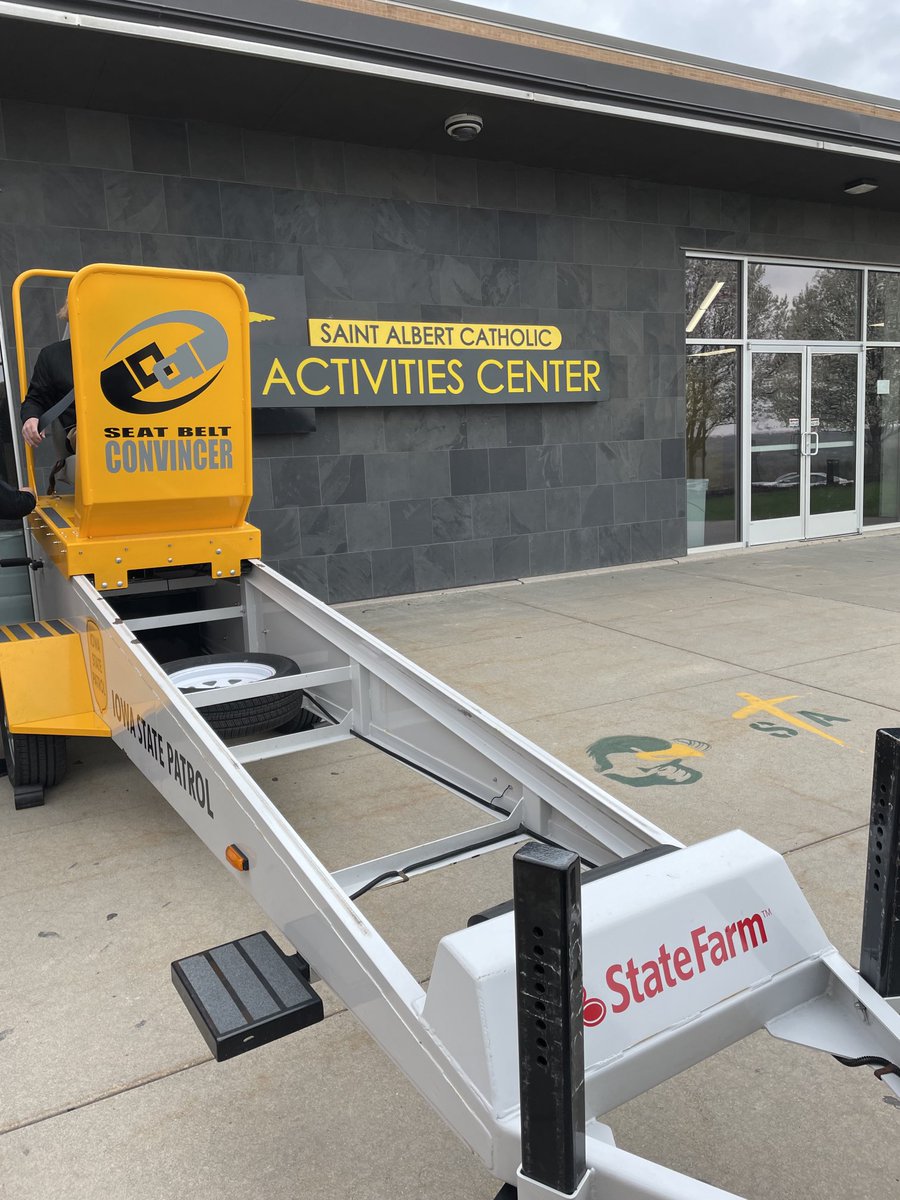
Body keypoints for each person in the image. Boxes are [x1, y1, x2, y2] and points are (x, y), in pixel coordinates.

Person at [20, 300, 75, 488]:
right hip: (83, 433)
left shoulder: (122, 351)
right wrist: (31, 419)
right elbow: (36, 399)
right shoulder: (53, 356)